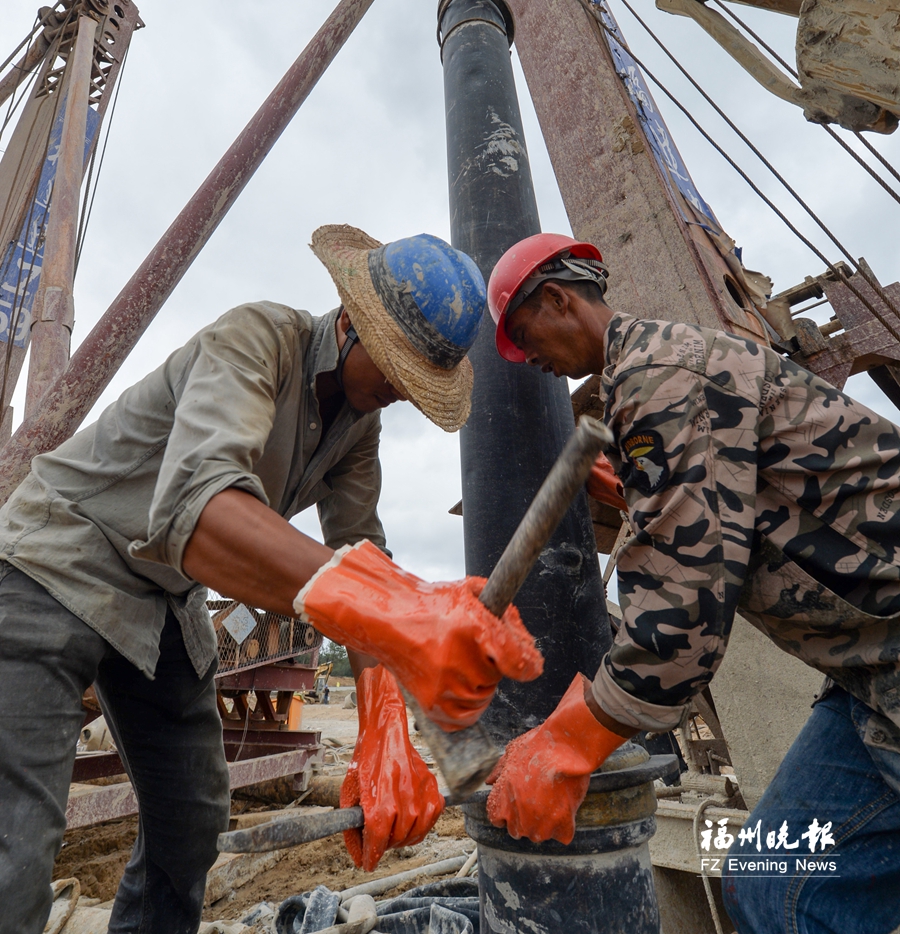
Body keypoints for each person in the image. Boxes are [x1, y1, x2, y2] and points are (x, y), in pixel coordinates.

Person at [0, 224, 543, 934]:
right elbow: (197, 509)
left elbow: (362, 551)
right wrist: (403, 608)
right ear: (350, 322)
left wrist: (385, 727)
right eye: (396, 370)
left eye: (422, 383)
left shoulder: (359, 428)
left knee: (193, 819)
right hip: (57, 560)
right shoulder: (258, 339)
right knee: (15, 851)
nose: (403, 394)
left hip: (163, 594)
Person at [482, 233, 900, 934]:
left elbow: (679, 621)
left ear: (558, 299)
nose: (536, 366)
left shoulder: (659, 375)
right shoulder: (647, 385)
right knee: (770, 886)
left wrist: (563, 744)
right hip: (870, 680)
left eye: (526, 340)